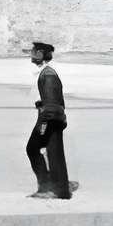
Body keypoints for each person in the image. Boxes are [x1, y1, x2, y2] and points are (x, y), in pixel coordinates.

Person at [26, 40, 72, 200]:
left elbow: (51, 101)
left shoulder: (48, 73)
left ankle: (48, 186)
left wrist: (45, 121)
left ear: (40, 54)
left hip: (49, 117)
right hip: (52, 116)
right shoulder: (47, 72)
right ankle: (62, 186)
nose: (30, 53)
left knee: (32, 148)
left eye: (33, 51)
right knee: (54, 153)